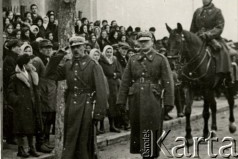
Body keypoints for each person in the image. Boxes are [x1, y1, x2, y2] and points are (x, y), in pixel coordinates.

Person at [44, 36, 107, 159]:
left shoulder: (93, 65)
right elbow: (49, 74)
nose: (76, 50)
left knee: (84, 139)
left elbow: (101, 90)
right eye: (73, 48)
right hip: (71, 105)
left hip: (86, 105)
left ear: (84, 47)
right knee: (71, 137)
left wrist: (99, 113)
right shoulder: (68, 64)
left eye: (78, 47)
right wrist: (58, 55)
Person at [117, 31, 174, 159]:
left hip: (152, 98)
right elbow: (125, 81)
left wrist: (169, 101)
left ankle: (150, 154)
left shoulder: (160, 59)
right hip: (135, 99)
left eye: (146, 41)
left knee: (151, 128)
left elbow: (168, 81)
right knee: (138, 128)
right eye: (141, 41)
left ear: (152, 42)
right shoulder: (132, 59)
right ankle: (145, 154)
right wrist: (121, 101)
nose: (143, 44)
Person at [190, 0, 231, 81]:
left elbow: (219, 27)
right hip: (198, 38)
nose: (204, 0)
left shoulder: (217, 11)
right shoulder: (197, 11)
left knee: (223, 52)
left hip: (213, 38)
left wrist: (208, 34)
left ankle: (224, 77)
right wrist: (192, 38)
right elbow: (192, 28)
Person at [7, 54, 41, 158]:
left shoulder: (31, 74)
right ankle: (20, 149)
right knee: (20, 129)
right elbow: (9, 92)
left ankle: (31, 148)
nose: (31, 64)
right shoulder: (15, 77)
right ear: (24, 64)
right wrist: (17, 100)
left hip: (31, 104)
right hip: (21, 107)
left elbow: (34, 89)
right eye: (30, 63)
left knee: (31, 128)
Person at [99, 45, 122, 133]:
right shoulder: (102, 61)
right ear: (104, 52)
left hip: (113, 85)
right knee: (105, 104)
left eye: (110, 52)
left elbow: (119, 72)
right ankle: (101, 127)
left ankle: (112, 125)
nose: (109, 54)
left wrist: (115, 75)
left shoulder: (115, 60)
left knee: (113, 105)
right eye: (107, 52)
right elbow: (106, 71)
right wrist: (113, 74)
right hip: (105, 84)